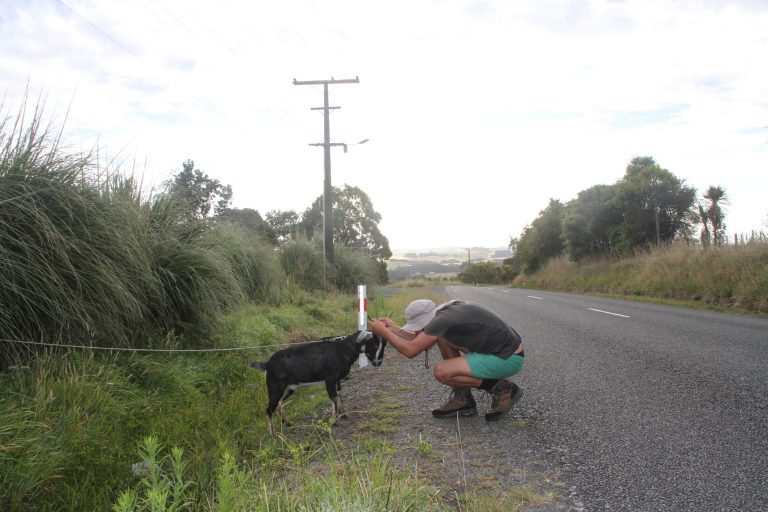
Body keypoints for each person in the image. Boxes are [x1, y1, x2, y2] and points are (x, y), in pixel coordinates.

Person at [369, 298, 525, 421]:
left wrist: (384, 332)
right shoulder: (443, 312)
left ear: (425, 321)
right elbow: (420, 341)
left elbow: (411, 350)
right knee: (443, 339)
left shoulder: (442, 320)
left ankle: (503, 389)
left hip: (508, 358)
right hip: (503, 352)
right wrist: (393, 329)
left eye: (418, 327)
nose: (417, 330)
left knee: (442, 371)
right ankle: (463, 400)